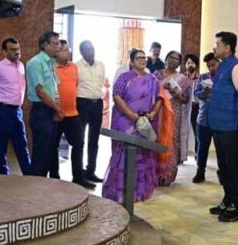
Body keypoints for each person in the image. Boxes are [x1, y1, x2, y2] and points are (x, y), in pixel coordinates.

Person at [102, 49, 164, 203]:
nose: (142, 60)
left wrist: (152, 114)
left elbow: (160, 98)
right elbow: (117, 97)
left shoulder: (153, 80)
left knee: (142, 155)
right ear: (131, 61)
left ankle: (138, 192)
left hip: (145, 123)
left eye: (144, 58)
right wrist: (132, 116)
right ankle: (118, 192)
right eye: (138, 58)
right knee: (122, 155)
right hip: (125, 122)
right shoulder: (124, 78)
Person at [207, 32, 238, 223]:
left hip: (231, 124)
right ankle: (228, 199)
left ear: (227, 48)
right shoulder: (222, 65)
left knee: (232, 165)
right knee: (223, 165)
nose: (214, 47)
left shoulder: (236, 66)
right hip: (218, 123)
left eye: (217, 44)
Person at [52, 40, 95, 189]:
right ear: (57, 52)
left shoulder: (73, 67)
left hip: (73, 114)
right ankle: (54, 176)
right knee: (53, 146)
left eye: (68, 49)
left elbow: (74, 85)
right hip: (56, 114)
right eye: (65, 50)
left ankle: (78, 177)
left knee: (78, 144)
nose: (68, 52)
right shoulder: (51, 67)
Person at [0, 37, 31, 176]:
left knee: (22, 143)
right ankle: (3, 174)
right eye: (12, 50)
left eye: (18, 49)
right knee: (1, 144)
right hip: (3, 110)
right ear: (4, 52)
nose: (17, 52)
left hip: (17, 110)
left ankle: (28, 174)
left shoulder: (21, 66)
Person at [26, 31, 62, 177]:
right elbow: (40, 91)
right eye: (55, 43)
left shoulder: (51, 63)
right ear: (45, 45)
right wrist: (58, 109)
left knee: (49, 152)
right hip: (41, 110)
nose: (58, 47)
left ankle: (45, 185)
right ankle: (36, 185)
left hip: (51, 109)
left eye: (59, 43)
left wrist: (56, 109)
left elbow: (55, 88)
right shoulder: (36, 63)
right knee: (41, 154)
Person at [153, 51, 192, 186]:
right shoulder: (157, 74)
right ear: (166, 59)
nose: (173, 60)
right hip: (158, 111)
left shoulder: (183, 79)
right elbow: (150, 91)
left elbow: (185, 100)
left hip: (174, 112)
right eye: (171, 57)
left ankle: (168, 174)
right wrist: (162, 88)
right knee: (157, 138)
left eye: (177, 59)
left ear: (179, 62)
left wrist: (176, 93)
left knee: (171, 140)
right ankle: (155, 174)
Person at [76, 40, 106, 183]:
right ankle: (79, 173)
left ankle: (91, 171)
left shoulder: (100, 65)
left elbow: (101, 84)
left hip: (97, 104)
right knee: (80, 139)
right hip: (82, 103)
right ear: (82, 52)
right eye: (88, 49)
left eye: (92, 48)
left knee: (94, 140)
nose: (91, 51)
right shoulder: (76, 66)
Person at [192, 52, 219, 184]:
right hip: (203, 118)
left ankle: (223, 173)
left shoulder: (224, 77)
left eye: (213, 65)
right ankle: (200, 172)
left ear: (219, 63)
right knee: (202, 147)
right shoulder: (203, 77)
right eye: (208, 66)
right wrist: (205, 92)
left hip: (220, 119)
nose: (211, 68)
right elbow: (195, 94)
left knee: (221, 148)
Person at [184, 54, 200, 156]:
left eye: (192, 63)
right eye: (188, 63)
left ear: (196, 65)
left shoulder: (201, 78)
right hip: (183, 106)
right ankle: (182, 154)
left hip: (196, 107)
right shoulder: (181, 78)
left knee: (197, 131)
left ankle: (198, 153)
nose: (190, 65)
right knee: (182, 130)